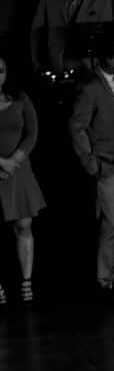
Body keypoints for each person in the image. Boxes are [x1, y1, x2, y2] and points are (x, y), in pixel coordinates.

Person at [68, 36, 114, 297]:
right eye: (112, 56)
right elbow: (76, 127)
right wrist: (91, 162)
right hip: (107, 165)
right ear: (101, 57)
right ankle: (104, 278)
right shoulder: (91, 86)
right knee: (110, 224)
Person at [0, 54, 45, 304]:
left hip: (19, 171)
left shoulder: (20, 99)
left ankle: (26, 281)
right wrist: (1, 162)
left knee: (23, 225)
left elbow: (33, 132)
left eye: (1, 70)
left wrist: (14, 160)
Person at [30, 0, 114, 75]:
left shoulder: (102, 1)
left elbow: (107, 39)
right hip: (56, 65)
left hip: (88, 69)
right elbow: (36, 32)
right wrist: (36, 64)